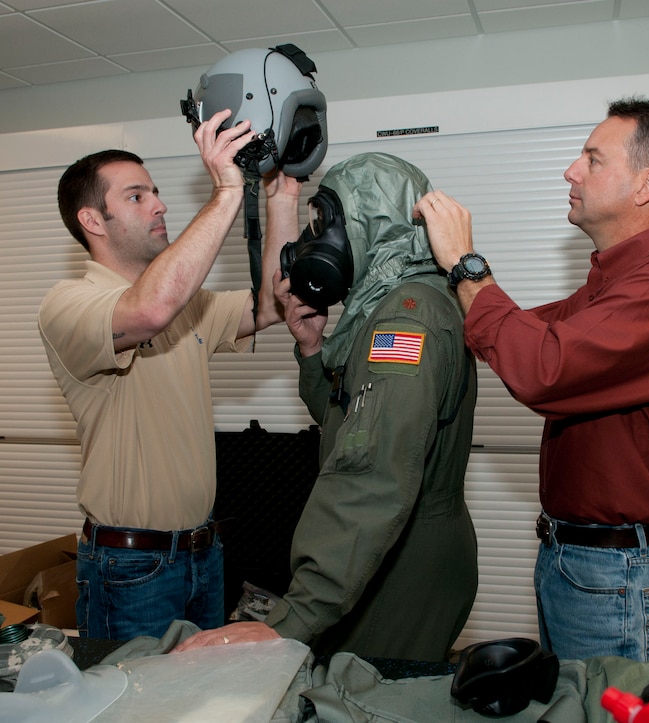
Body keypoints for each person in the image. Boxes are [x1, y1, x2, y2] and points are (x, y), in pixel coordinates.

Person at [413, 97, 649, 662]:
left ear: (646, 185)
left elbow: (539, 368)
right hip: (580, 564)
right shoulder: (613, 284)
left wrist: (465, 262)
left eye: (593, 159)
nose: (570, 172)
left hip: (616, 573)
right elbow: (518, 333)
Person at [173, 152, 479, 662]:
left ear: (363, 224)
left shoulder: (407, 318)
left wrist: (294, 619)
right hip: (387, 549)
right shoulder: (387, 303)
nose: (315, 242)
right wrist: (313, 351)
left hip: (399, 562)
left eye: (324, 224)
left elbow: (372, 472)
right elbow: (350, 423)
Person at [37, 108, 301, 640]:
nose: (159, 205)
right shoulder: (69, 304)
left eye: (155, 191)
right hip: (131, 569)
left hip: (203, 556)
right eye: (136, 196)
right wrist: (226, 191)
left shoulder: (187, 304)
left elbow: (273, 303)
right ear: (93, 220)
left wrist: (282, 198)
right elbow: (149, 311)